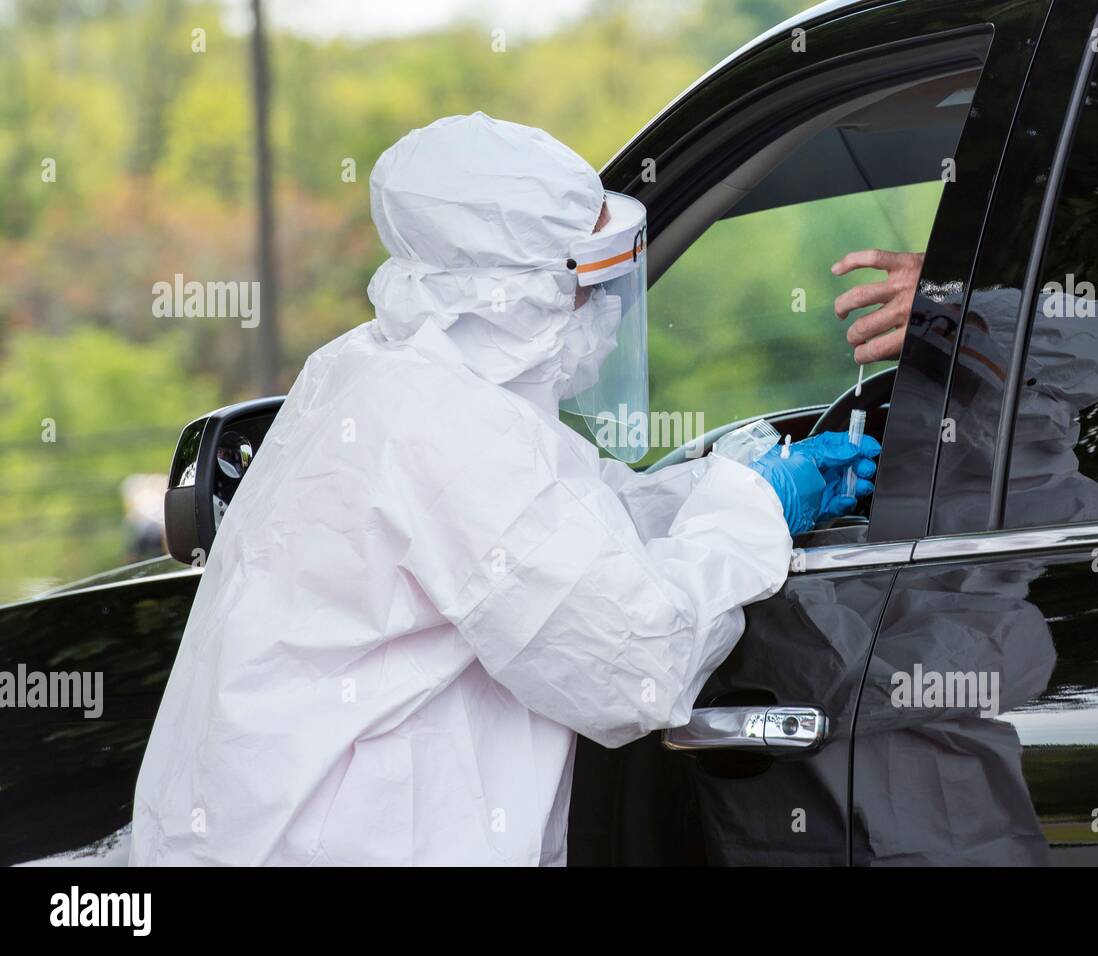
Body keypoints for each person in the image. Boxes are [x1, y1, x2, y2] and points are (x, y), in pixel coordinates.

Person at [129, 112, 879, 867]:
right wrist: (756, 510)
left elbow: (573, 517)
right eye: (590, 283)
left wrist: (725, 484)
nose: (611, 308)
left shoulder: (378, 372)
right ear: (510, 294)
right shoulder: (446, 428)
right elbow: (634, 662)